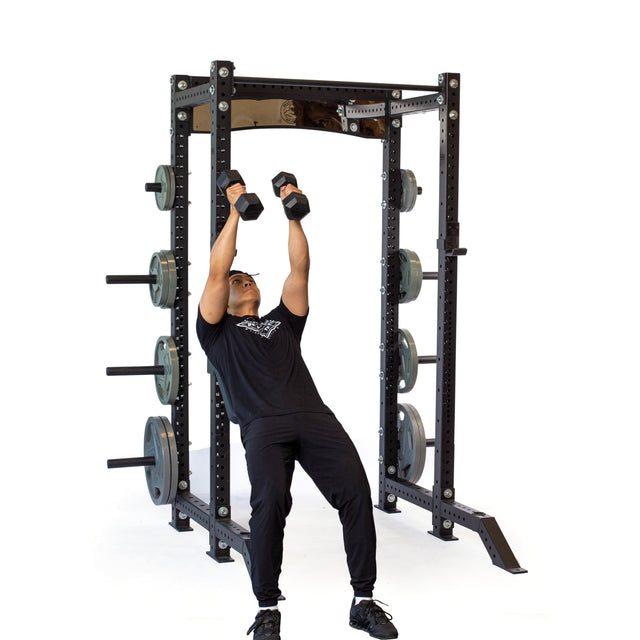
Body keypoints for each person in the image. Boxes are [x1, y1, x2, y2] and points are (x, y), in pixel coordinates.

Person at [196, 177, 399, 640]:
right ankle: (268, 609)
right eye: (235, 280)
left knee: (355, 492)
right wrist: (235, 211)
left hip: (314, 417)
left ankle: (363, 602)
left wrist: (292, 214)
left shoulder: (284, 322)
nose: (243, 279)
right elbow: (214, 272)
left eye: (248, 277)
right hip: (263, 427)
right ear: (221, 300)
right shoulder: (216, 333)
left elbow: (300, 268)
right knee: (271, 505)